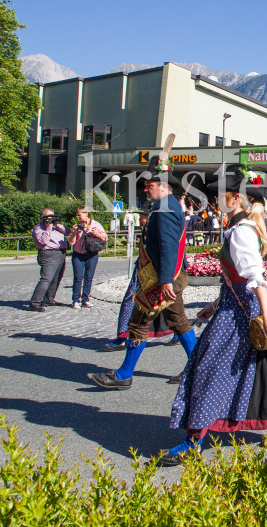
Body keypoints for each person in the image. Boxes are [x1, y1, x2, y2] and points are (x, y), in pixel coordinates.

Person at [157, 169, 267, 467]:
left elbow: (256, 279)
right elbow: (236, 280)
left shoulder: (240, 232)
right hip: (234, 309)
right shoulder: (238, 228)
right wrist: (214, 304)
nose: (214, 201)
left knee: (208, 370)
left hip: (242, 315)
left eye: (218, 197)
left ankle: (193, 440)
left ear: (235, 198)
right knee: (265, 370)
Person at [89, 143, 199, 389]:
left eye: (149, 186)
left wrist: (165, 280)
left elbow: (169, 246)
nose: (145, 189)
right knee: (178, 321)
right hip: (164, 276)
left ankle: (124, 374)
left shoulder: (166, 208)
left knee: (139, 323)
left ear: (163, 187)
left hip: (162, 279)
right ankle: (196, 368)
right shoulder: (165, 206)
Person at [100, 202, 177, 352]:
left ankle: (179, 332)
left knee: (168, 305)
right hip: (144, 268)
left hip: (155, 271)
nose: (140, 221)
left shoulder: (160, 228)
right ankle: (124, 335)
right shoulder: (149, 229)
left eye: (142, 217)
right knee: (141, 301)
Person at [66, 205, 107, 309]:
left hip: (91, 255)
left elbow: (105, 238)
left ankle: (85, 299)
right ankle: (75, 300)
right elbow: (71, 242)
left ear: (86, 213)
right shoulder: (78, 226)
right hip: (78, 255)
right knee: (78, 278)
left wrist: (96, 233)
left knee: (88, 278)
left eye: (79, 215)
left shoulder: (96, 225)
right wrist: (75, 232)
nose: (78, 217)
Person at [28, 208, 69, 312]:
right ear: (43, 217)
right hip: (48, 253)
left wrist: (57, 225)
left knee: (57, 277)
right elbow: (43, 241)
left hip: (60, 253)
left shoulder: (56, 227)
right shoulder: (38, 228)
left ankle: (49, 299)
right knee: (46, 279)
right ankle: (35, 302)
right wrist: (49, 228)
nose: (52, 218)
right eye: (49, 216)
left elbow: (68, 231)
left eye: (53, 216)